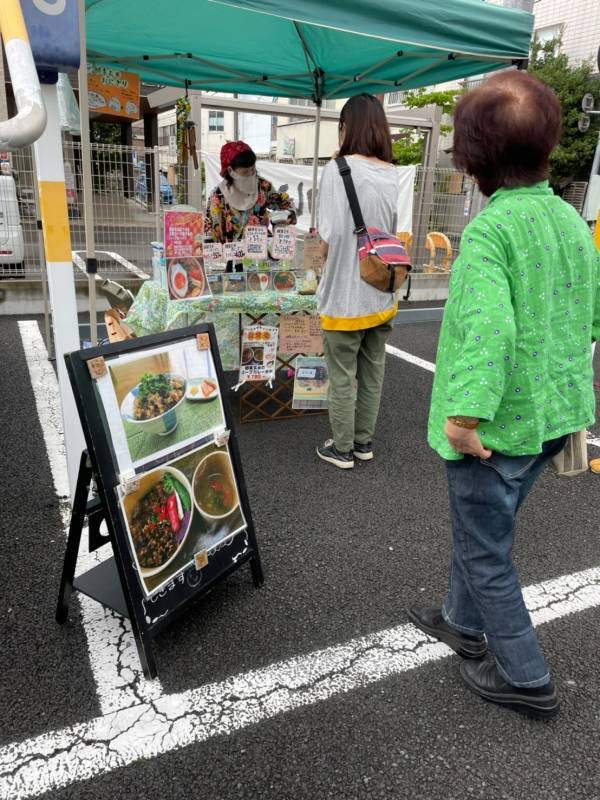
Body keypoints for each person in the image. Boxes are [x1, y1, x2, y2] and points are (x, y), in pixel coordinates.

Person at [408, 71, 600, 719]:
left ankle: (525, 676)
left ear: (474, 160)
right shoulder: (574, 224)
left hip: (492, 429)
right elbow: (591, 319)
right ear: (547, 147)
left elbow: (488, 336)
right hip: (553, 419)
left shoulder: (490, 234)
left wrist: (463, 422)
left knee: (487, 550)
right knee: (483, 529)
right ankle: (461, 622)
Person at [316, 93, 402, 469]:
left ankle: (342, 448)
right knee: (372, 374)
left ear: (346, 127)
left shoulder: (336, 170)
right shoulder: (392, 173)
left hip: (344, 297)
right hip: (382, 293)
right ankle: (363, 443)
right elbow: (398, 232)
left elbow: (327, 237)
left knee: (340, 377)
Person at [205, 141, 296, 272]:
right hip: (234, 264)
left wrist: (288, 215)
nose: (251, 174)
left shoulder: (263, 186)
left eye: (253, 169)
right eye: (245, 172)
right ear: (231, 171)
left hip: (263, 261)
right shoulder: (218, 196)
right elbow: (212, 235)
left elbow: (285, 204)